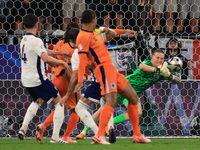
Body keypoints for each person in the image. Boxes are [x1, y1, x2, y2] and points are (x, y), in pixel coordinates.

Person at [65, 9, 152, 144]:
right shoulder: (82, 36)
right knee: (111, 101)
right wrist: (80, 80)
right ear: (93, 19)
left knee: (133, 97)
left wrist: (125, 32)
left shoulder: (93, 32)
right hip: (103, 70)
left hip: (111, 69)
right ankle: (99, 135)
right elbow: (82, 59)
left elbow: (107, 30)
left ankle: (137, 135)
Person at [77, 49, 181, 139]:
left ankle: (109, 124)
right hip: (124, 86)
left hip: (133, 93)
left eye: (162, 59)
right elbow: (142, 67)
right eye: (157, 58)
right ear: (152, 58)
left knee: (137, 112)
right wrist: (157, 69)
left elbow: (178, 81)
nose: (159, 60)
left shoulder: (162, 72)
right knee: (102, 110)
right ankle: (83, 132)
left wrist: (170, 76)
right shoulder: (148, 63)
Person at [18, 13, 71, 143]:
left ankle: (23, 129)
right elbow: (45, 58)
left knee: (38, 101)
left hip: (25, 80)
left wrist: (59, 53)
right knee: (60, 103)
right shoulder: (36, 41)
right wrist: (62, 62)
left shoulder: (23, 40)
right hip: (38, 79)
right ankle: (55, 137)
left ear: (24, 26)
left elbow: (43, 51)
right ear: (37, 25)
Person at [35, 22, 80, 143]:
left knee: (61, 108)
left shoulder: (60, 44)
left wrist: (58, 66)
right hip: (68, 78)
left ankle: (43, 126)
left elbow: (51, 61)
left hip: (56, 77)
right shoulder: (76, 47)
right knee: (76, 108)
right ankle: (66, 136)